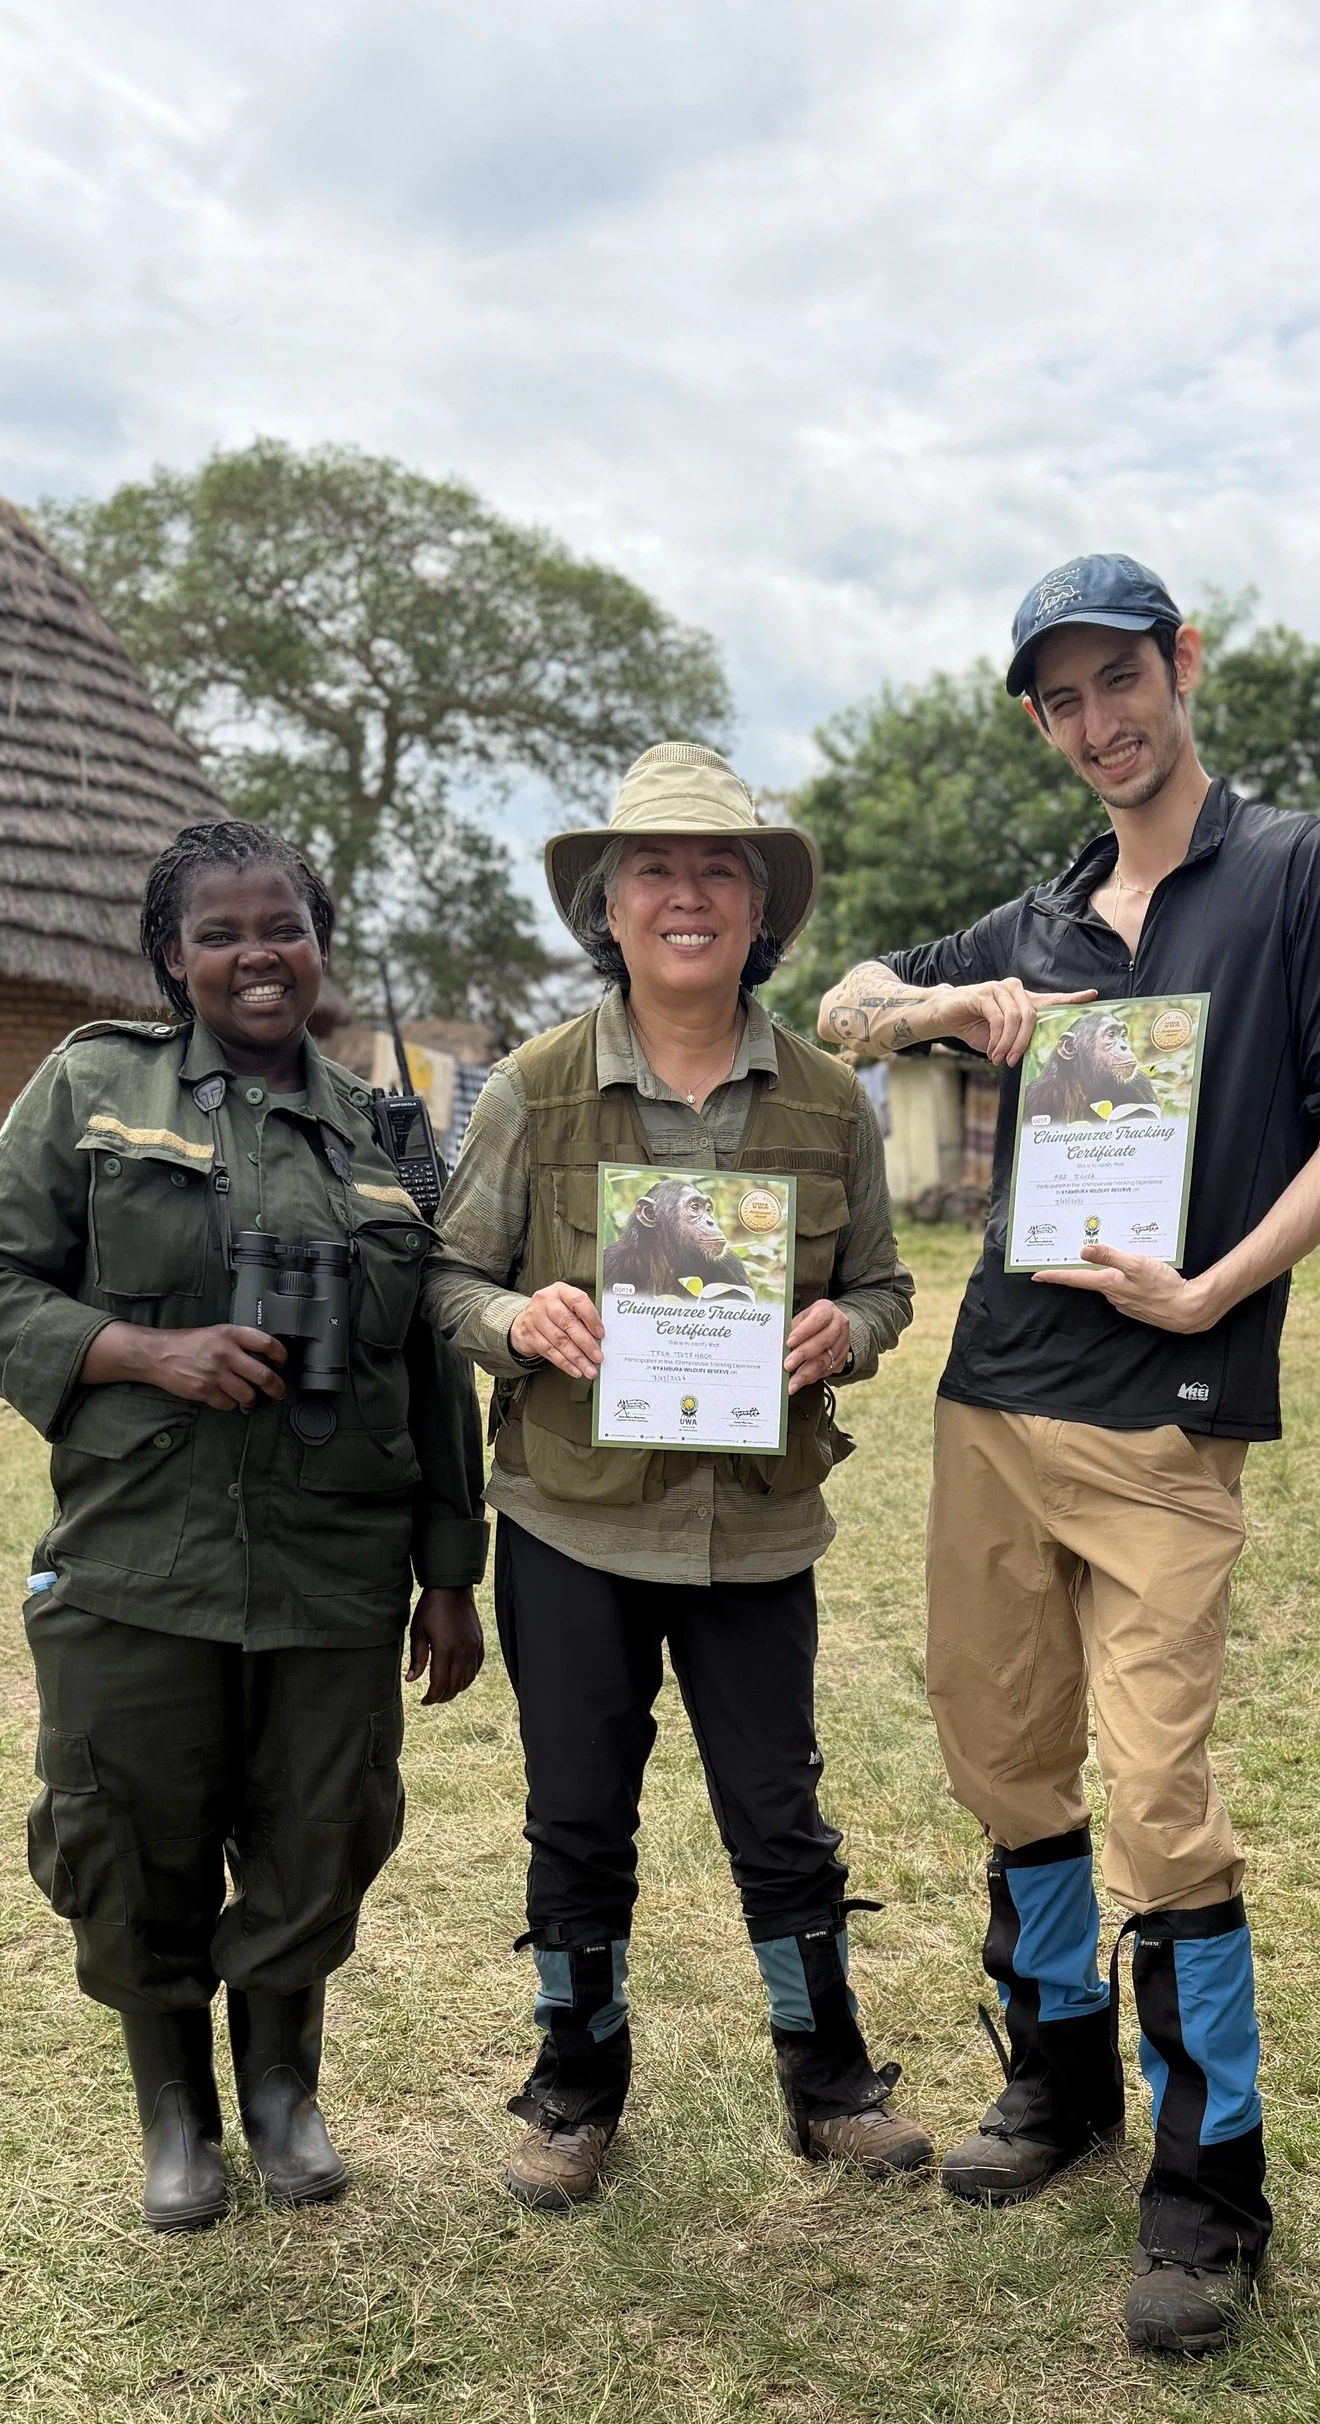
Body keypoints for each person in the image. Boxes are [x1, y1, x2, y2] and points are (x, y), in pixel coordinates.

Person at [815, 556, 1320, 2358]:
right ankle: (1064, 2081)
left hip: (1168, 1415)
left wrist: (1212, 1290)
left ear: (1182, 663)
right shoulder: (1043, 916)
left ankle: (1212, 2182)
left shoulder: (1297, 871)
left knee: (1159, 1798)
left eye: (1118, 682)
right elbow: (834, 999)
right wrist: (943, 1009)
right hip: (999, 1398)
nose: (1099, 725)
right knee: (1003, 1758)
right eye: (1061, 702)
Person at [0, 819, 488, 2228]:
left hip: (332, 1564)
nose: (260, 956)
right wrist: (147, 1352)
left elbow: (429, 1364)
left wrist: (449, 1571)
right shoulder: (93, 1088)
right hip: (141, 1555)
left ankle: (284, 2094)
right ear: (173, 958)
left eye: (284, 928)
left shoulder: (386, 1132)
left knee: (319, 1829)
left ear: (320, 946)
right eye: (224, 934)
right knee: (132, 1835)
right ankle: (176, 2113)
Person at [424, 743, 928, 2203]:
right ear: (609, 900)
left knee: (780, 1814)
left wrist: (851, 1330)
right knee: (578, 1812)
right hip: (575, 1525)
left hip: (757, 1531)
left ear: (759, 906)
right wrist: (520, 1321)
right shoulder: (533, 1088)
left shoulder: (832, 1103)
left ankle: (827, 2081)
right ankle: (574, 2089)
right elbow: (446, 1276)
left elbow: (888, 1286)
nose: (688, 895)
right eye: (655, 868)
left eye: (721, 869)